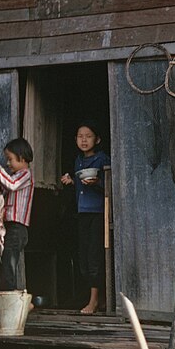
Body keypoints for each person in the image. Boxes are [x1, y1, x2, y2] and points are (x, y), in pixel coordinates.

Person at [60, 121, 111, 314]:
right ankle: (98, 298)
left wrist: (98, 182)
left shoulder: (102, 159)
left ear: (97, 139)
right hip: (82, 213)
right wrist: (72, 181)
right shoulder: (78, 161)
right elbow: (81, 186)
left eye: (88, 136)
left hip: (98, 213)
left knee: (94, 257)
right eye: (80, 136)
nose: (84, 139)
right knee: (84, 257)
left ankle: (94, 301)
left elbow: (110, 185)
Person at [0, 138, 34, 291]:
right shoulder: (17, 175)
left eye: (10, 159)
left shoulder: (25, 175)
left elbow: (10, 184)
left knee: (8, 266)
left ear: (22, 158)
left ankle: (11, 300)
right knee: (6, 264)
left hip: (18, 228)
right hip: (10, 228)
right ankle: (14, 299)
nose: (8, 163)